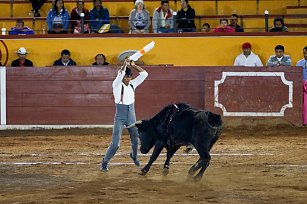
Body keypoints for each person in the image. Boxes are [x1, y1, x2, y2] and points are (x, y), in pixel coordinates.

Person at [101, 58, 148, 172]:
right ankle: (104, 162)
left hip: (131, 115)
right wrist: (124, 64)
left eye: (129, 77)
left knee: (136, 139)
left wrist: (133, 65)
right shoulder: (116, 85)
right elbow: (120, 72)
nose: (127, 79)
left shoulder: (132, 84)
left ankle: (134, 156)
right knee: (116, 144)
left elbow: (144, 74)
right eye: (126, 77)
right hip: (120, 116)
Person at [296, 46, 307, 125]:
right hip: (301, 85)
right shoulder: (299, 63)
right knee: (303, 104)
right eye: (304, 53)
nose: (305, 55)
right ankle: (304, 121)